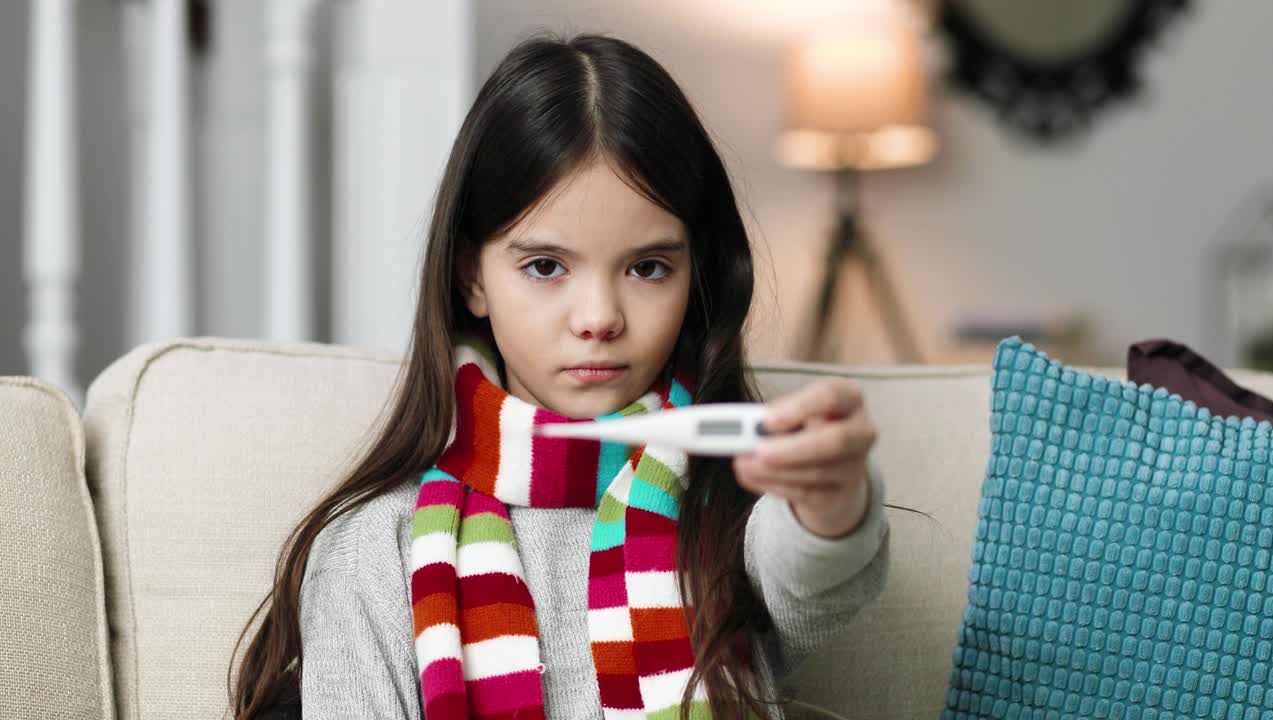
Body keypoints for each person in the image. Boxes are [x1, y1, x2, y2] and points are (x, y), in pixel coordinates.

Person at [230, 32, 890, 720]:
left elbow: (814, 574)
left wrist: (831, 496)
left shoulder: (728, 501)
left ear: (696, 274)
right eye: (546, 267)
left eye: (648, 268)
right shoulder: (376, 546)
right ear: (470, 277)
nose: (600, 317)